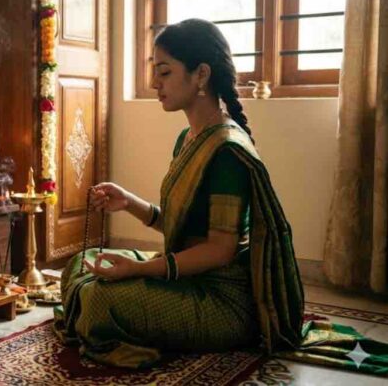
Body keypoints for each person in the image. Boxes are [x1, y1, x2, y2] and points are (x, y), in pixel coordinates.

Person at [55, 19, 387, 374]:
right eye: (155, 71)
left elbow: (220, 249)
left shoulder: (227, 150)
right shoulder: (188, 139)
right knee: (79, 264)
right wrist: (130, 203)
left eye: (164, 72)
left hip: (223, 302)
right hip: (188, 279)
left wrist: (140, 269)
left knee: (96, 299)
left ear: (201, 74)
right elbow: (182, 225)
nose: (154, 83)